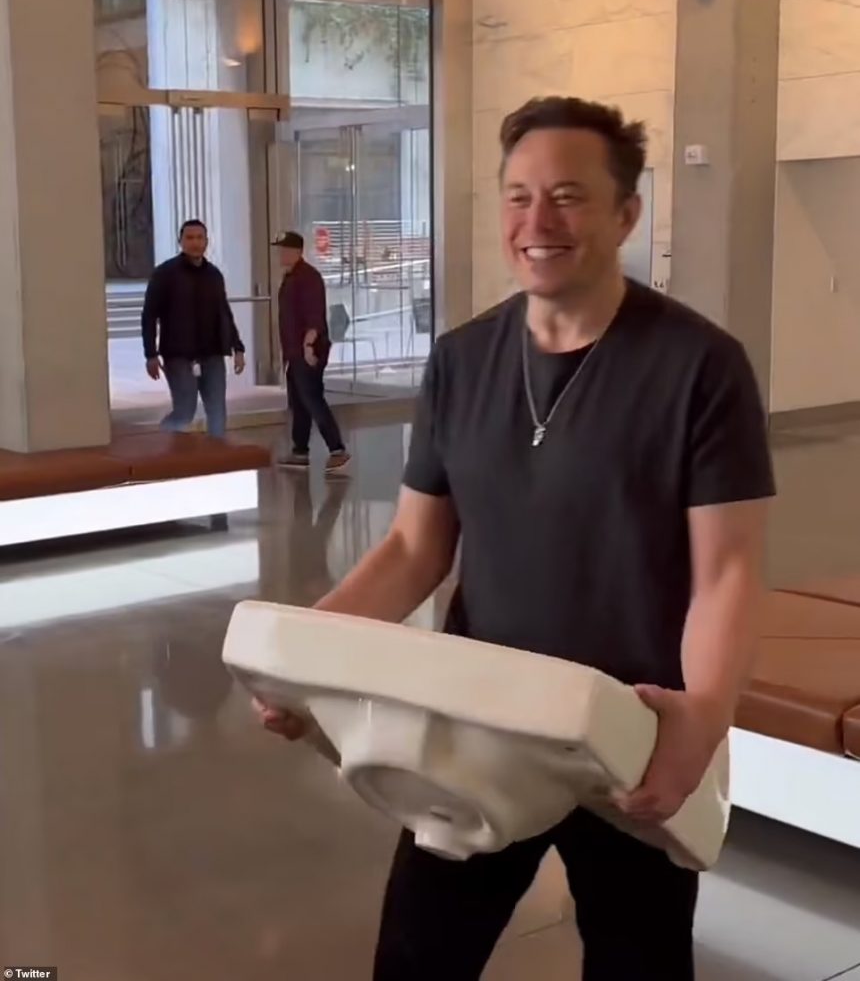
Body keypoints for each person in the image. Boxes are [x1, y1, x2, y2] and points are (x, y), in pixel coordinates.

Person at [255, 97, 774, 980]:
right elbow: (414, 549)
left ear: (626, 214)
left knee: (639, 963)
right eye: (519, 196)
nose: (537, 222)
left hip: (627, 731)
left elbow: (725, 572)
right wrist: (307, 656)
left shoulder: (699, 366)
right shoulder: (461, 360)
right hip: (477, 724)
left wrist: (705, 716)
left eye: (568, 197)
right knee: (417, 959)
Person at [141, 219, 245, 438]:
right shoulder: (165, 274)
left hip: (212, 353)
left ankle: (217, 452)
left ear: (206, 241)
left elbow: (224, 312)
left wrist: (238, 347)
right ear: (180, 241)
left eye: (199, 238)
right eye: (189, 238)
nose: (195, 243)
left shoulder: (214, 275)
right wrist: (150, 353)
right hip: (179, 355)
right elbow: (149, 315)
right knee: (184, 410)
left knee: (217, 409)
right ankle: (164, 442)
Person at [273, 230, 350, 472]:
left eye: (284, 250)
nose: (280, 254)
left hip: (307, 351)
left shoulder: (308, 277)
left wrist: (308, 347)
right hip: (294, 352)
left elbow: (314, 316)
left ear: (296, 251)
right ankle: (300, 451)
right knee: (298, 401)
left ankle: (337, 449)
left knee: (312, 399)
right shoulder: (291, 276)